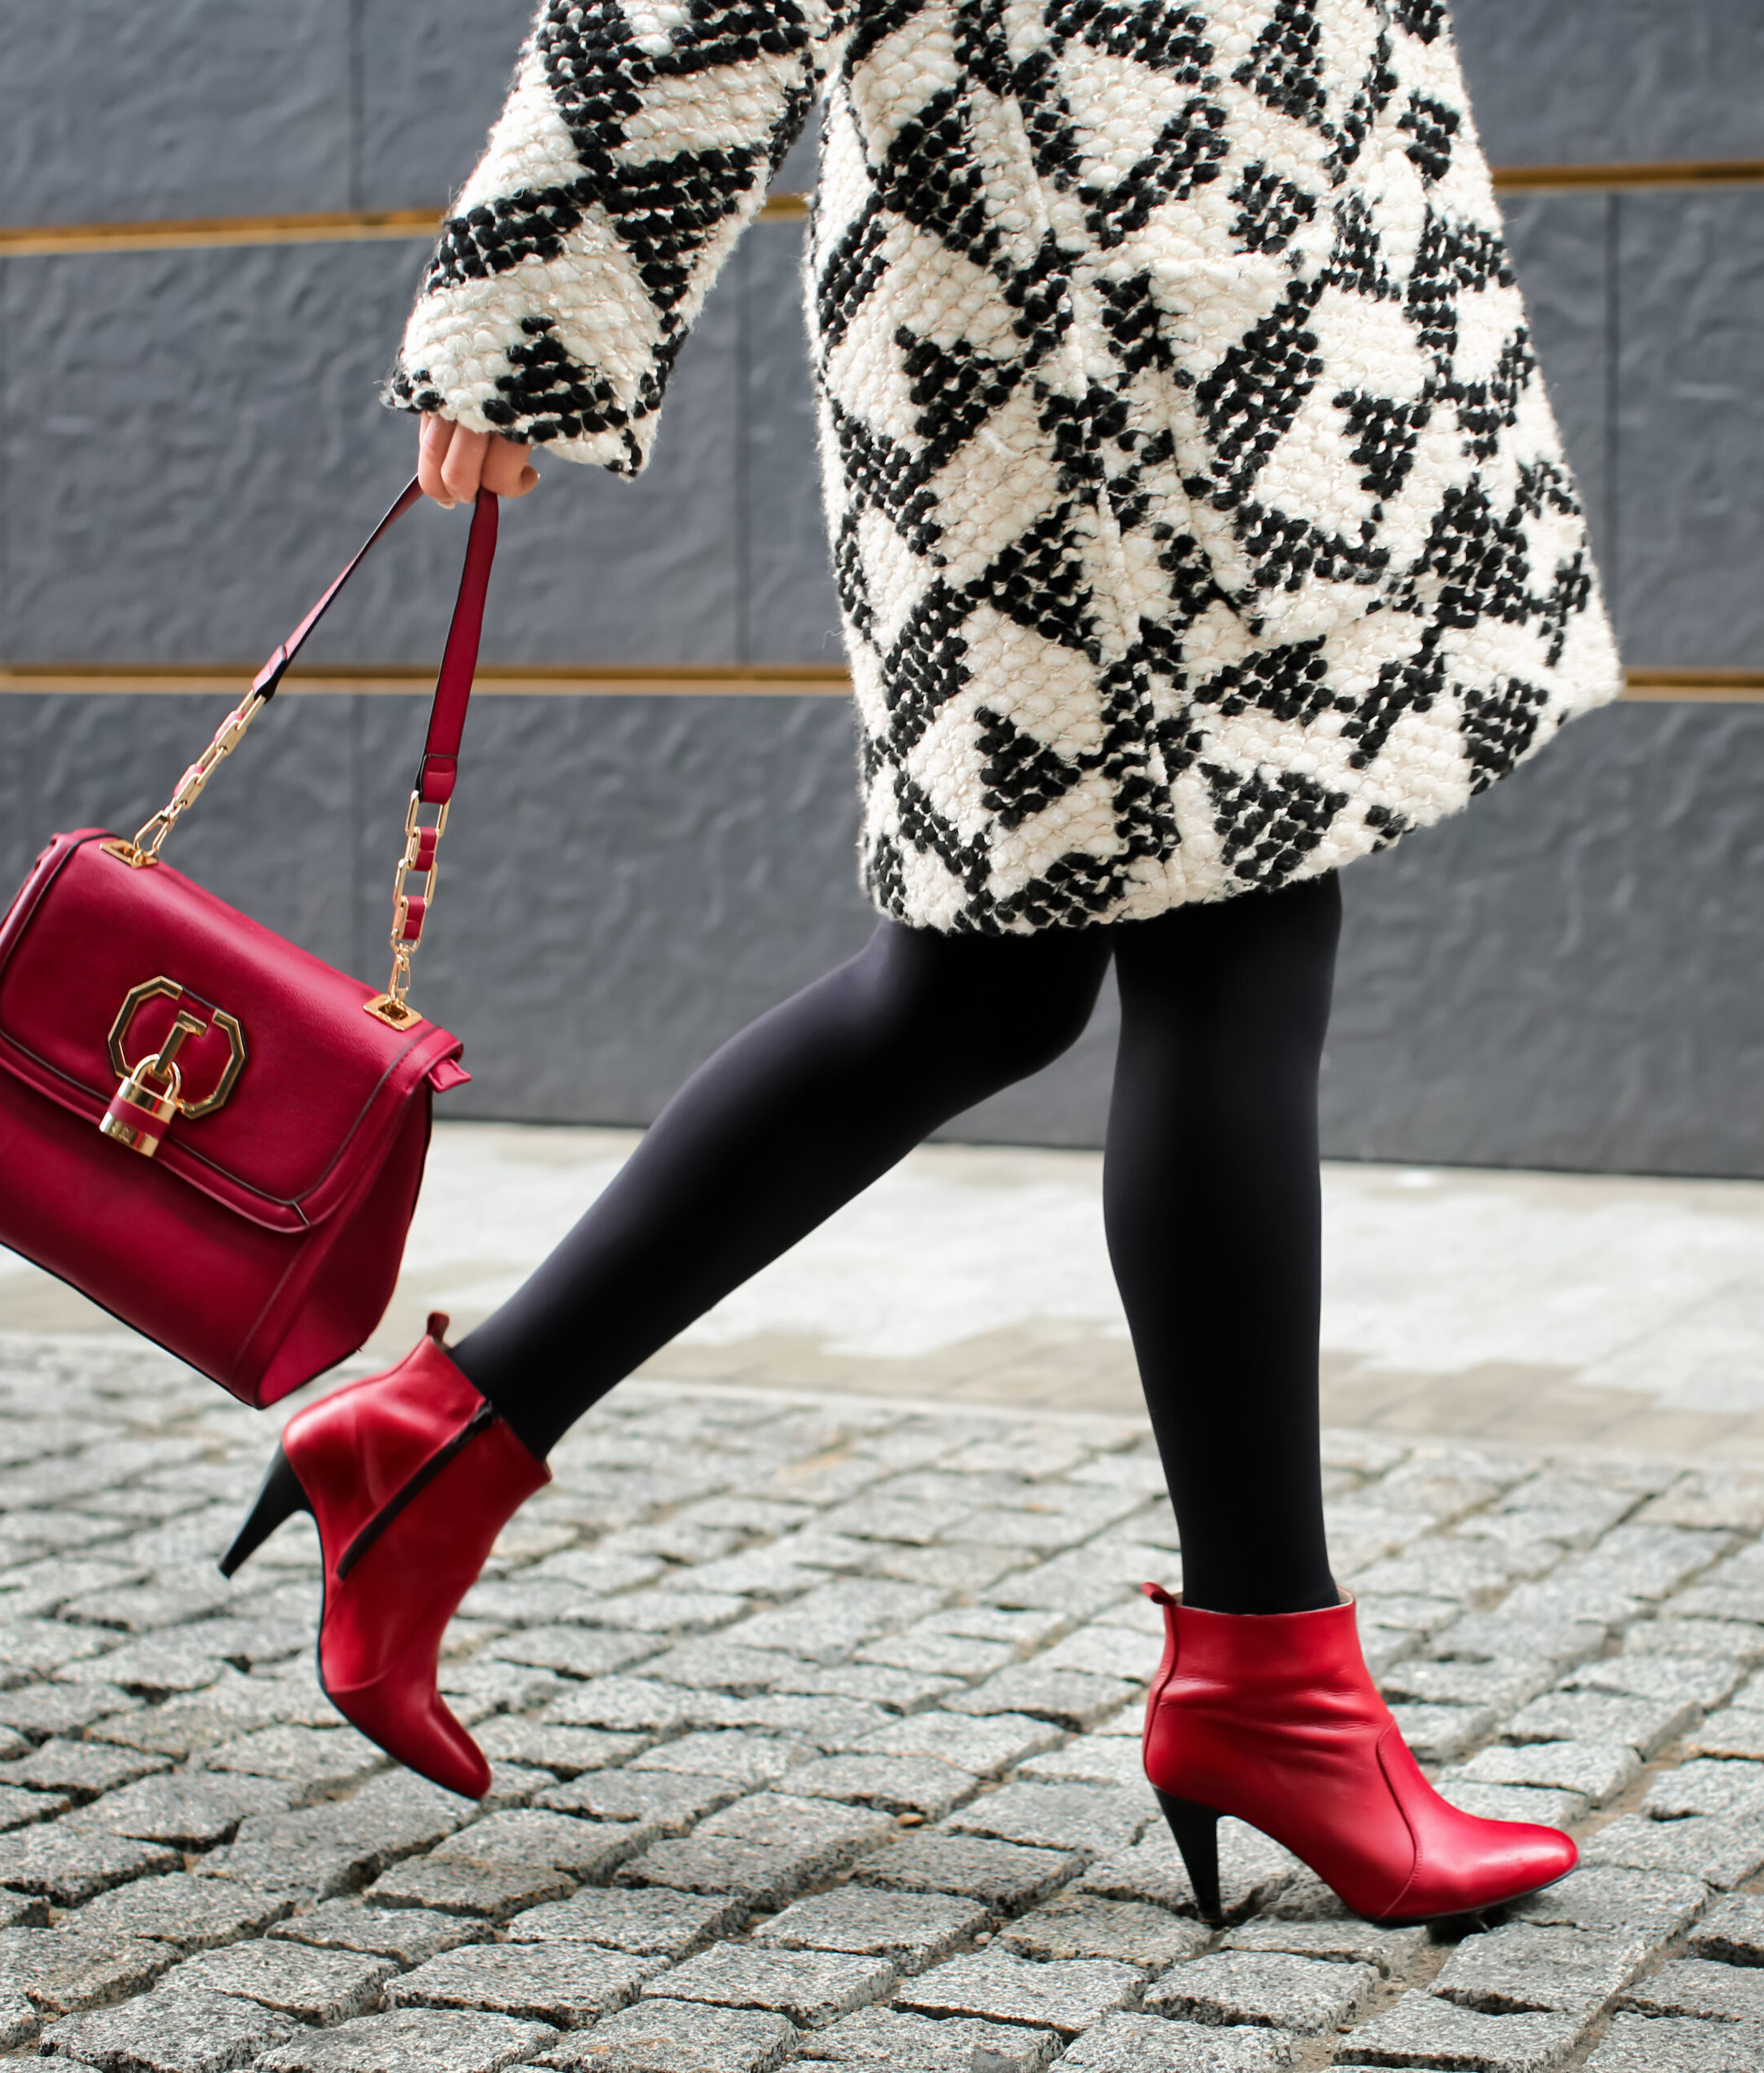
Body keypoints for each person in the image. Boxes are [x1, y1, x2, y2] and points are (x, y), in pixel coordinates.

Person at [219, 0, 1623, 1929]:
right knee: (1234, 915)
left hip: (1235, 246)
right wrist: (533, 306)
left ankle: (436, 1446)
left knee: (991, 978)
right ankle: (1271, 1685)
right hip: (1096, 276)